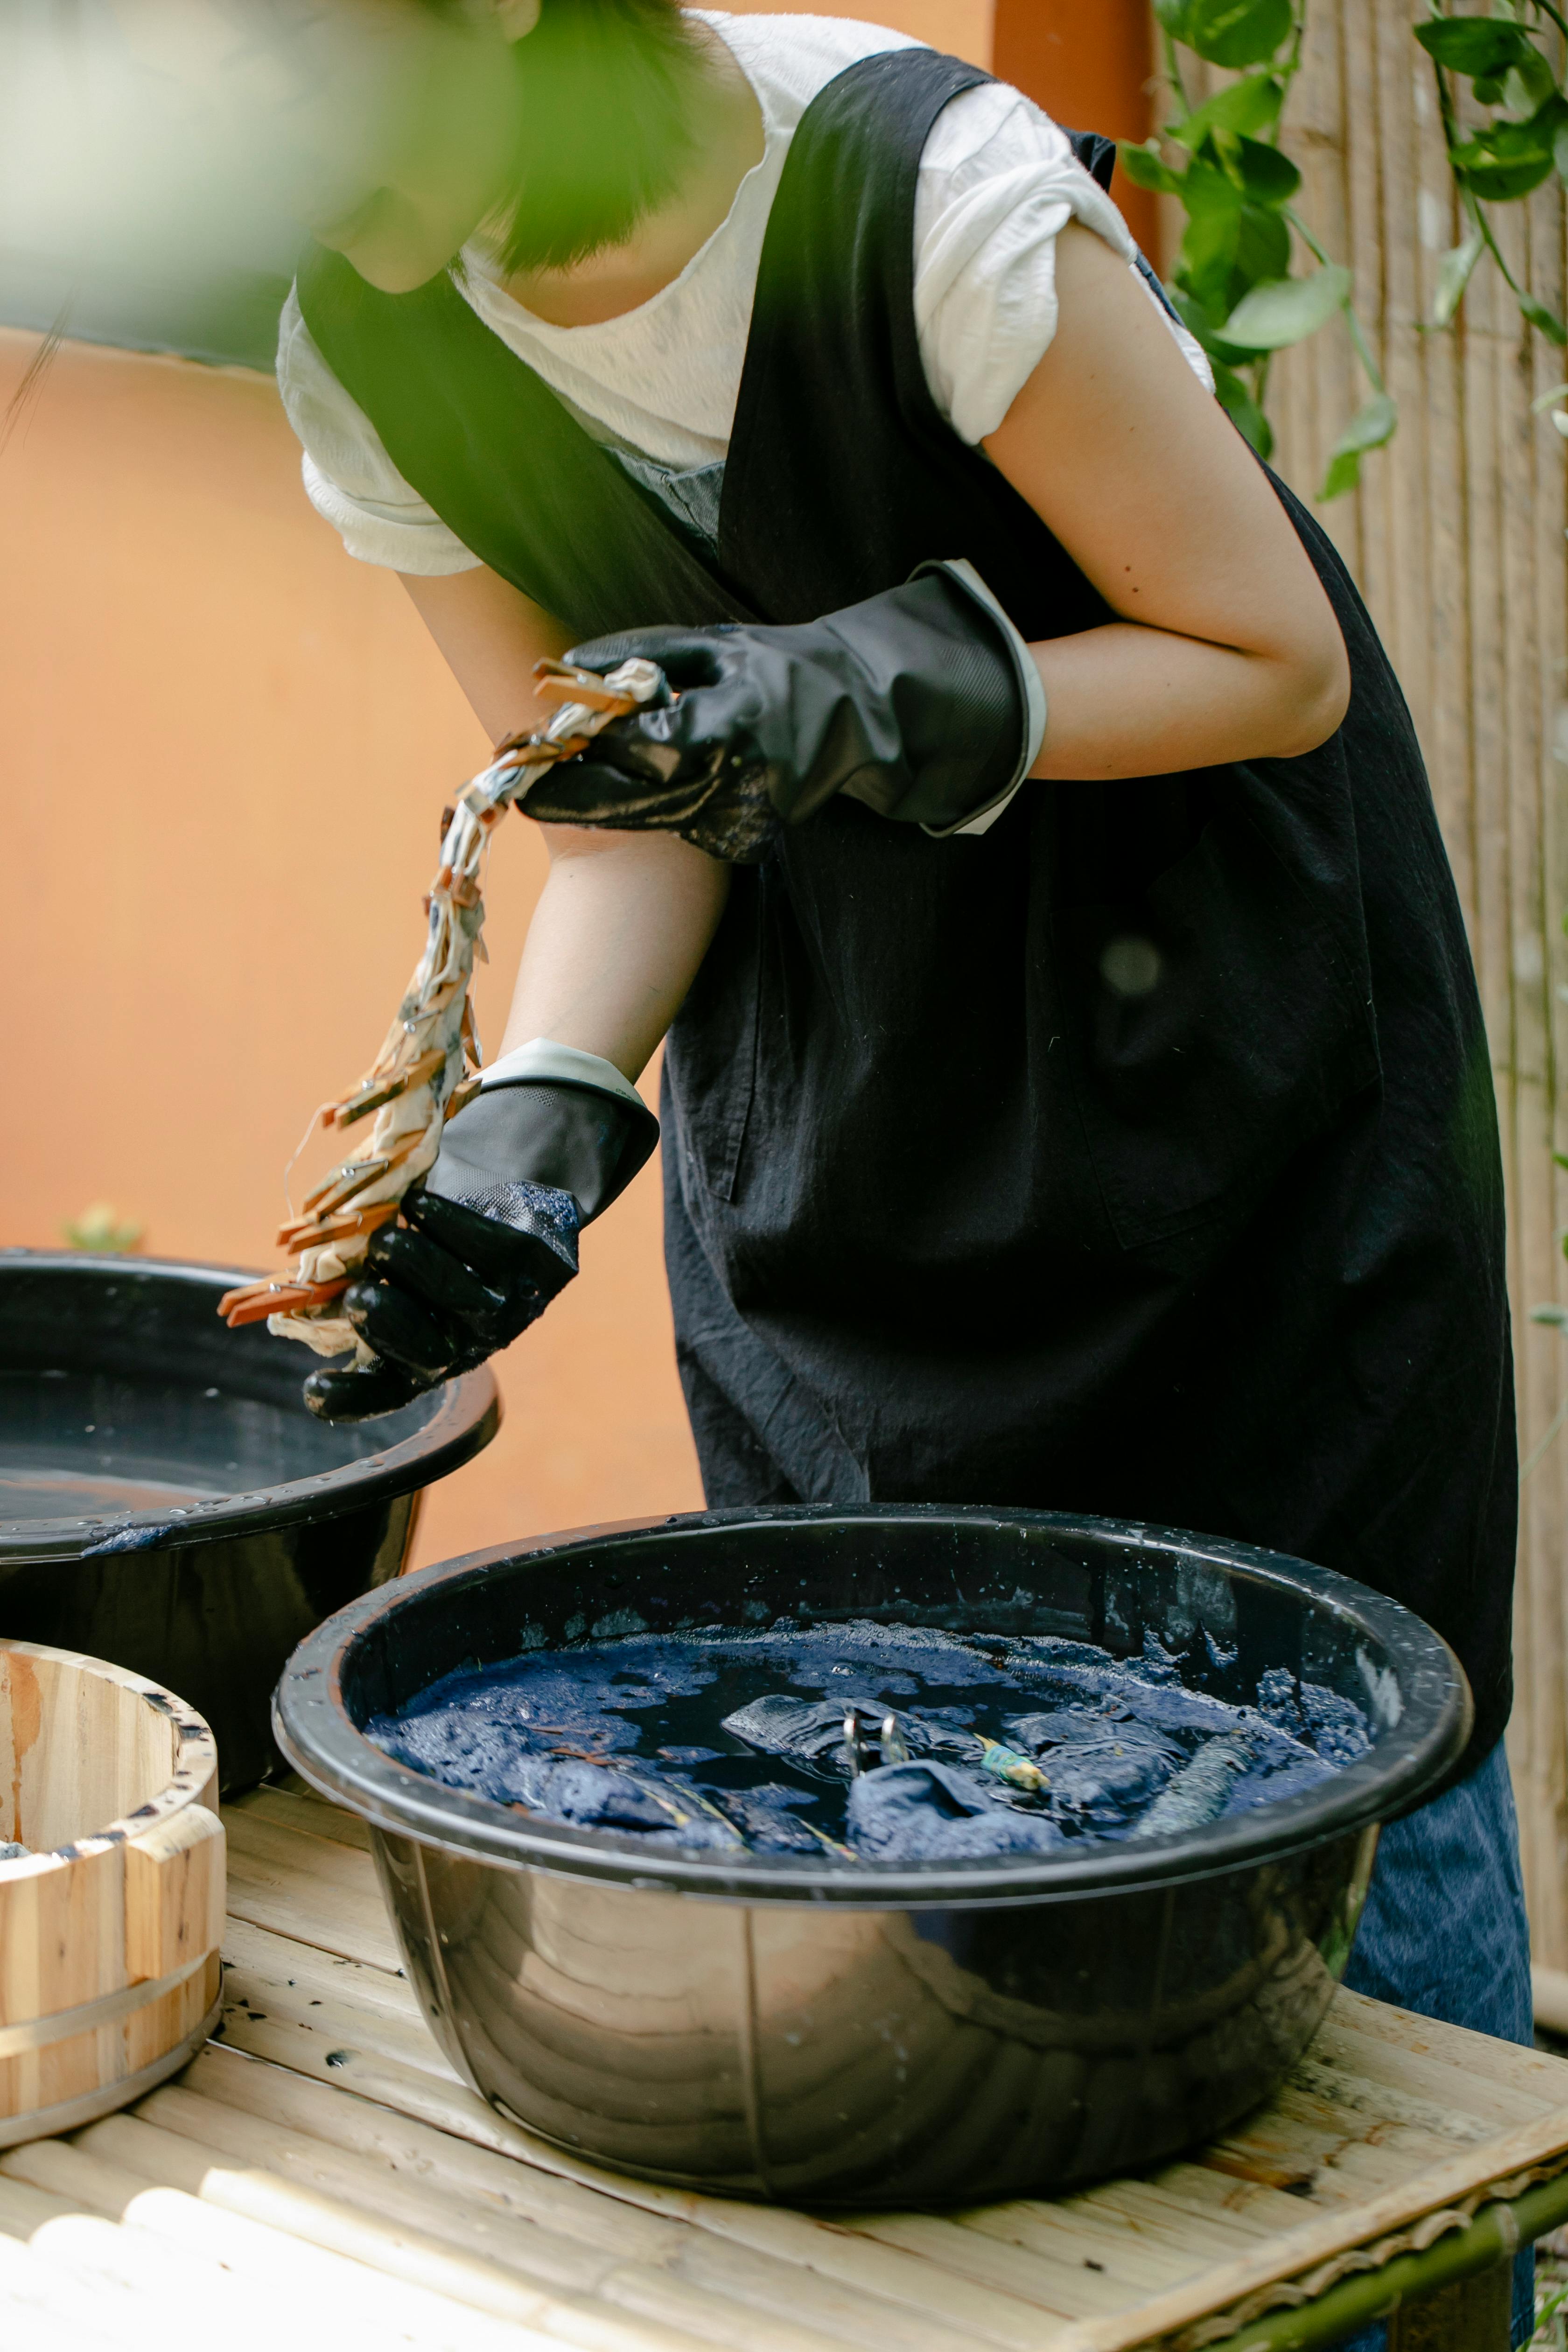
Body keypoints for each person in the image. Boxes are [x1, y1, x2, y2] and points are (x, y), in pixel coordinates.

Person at [195, 0, 1536, 2334]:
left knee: (1342, 1734)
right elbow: (615, 805)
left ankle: (1446, 2290)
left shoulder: (921, 191)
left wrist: (858, 685)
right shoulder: (369, 347)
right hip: (848, 1101)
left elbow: (1268, 655)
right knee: (880, 1727)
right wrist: (546, 1108)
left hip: (1221, 1067)